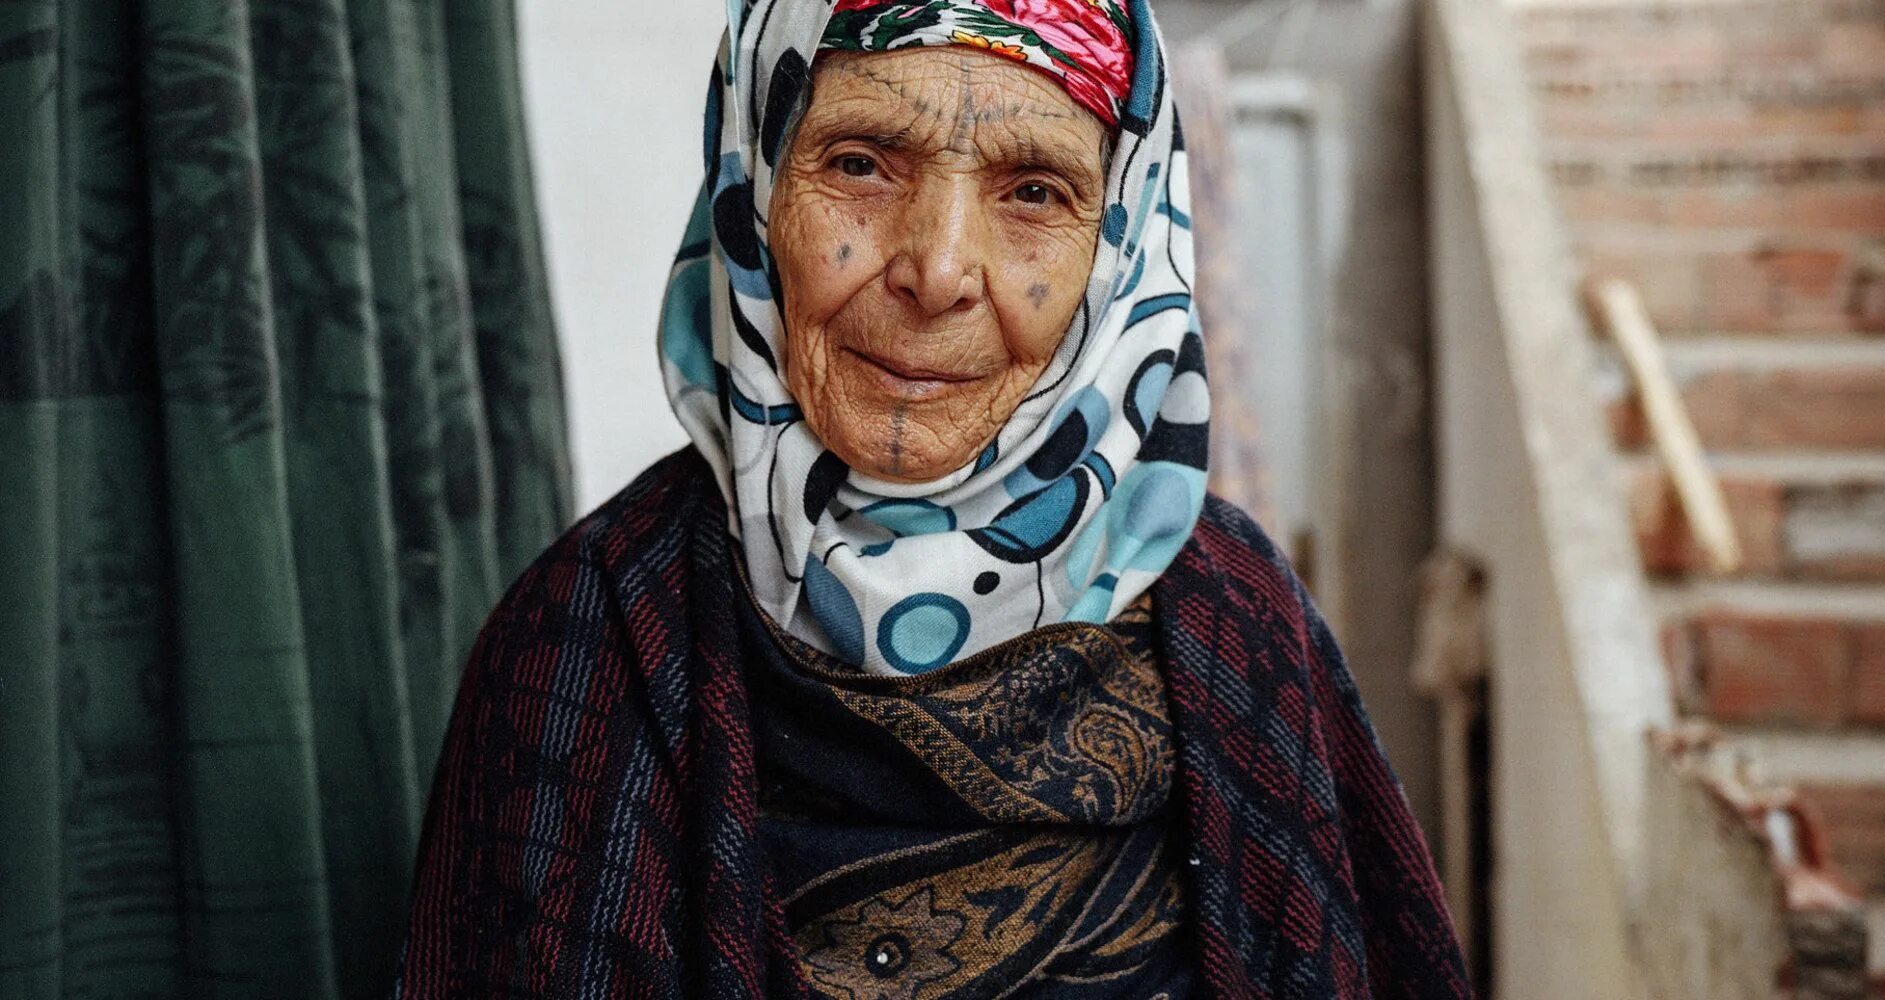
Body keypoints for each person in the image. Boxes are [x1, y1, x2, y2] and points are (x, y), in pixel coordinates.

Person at [390, 1, 1470, 996]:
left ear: (1120, 243)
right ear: (751, 191)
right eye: (860, 163)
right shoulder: (586, 637)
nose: (939, 268)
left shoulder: (1230, 617)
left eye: (1034, 191)